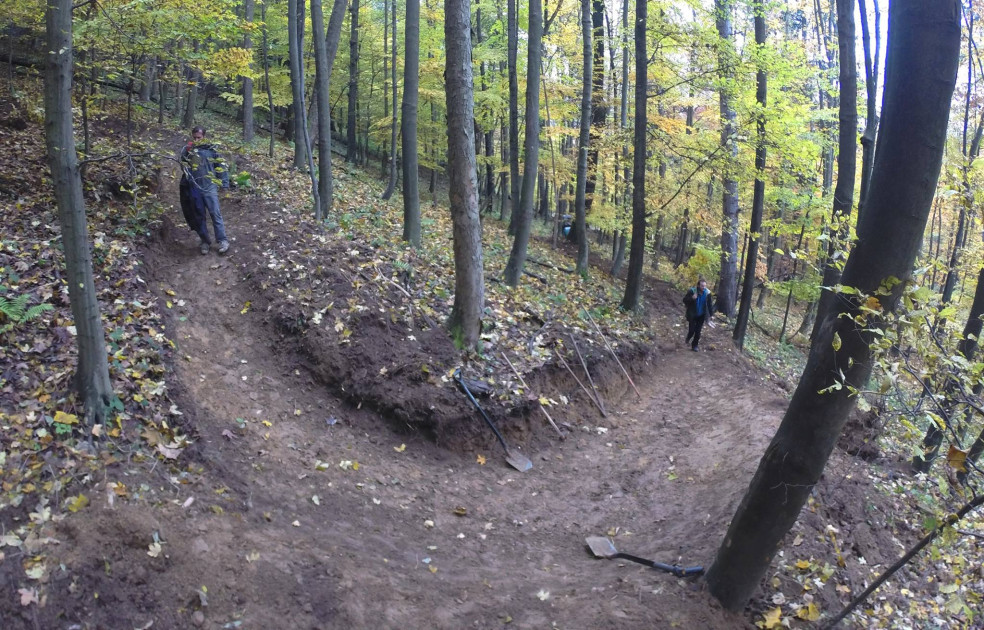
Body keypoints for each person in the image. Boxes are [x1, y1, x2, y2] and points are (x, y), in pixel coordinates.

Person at [180, 126, 231, 255]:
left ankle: (223, 240)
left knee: (215, 214)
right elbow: (183, 166)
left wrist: (224, 184)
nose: (197, 139)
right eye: (195, 137)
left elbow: (221, 166)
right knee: (199, 215)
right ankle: (205, 241)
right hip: (195, 188)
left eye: (199, 137)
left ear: (204, 137)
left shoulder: (212, 150)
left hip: (210, 187)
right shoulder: (187, 150)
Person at [683, 277, 714, 352]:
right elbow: (684, 300)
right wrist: (692, 298)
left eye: (705, 286)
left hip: (702, 315)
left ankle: (695, 346)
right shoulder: (692, 291)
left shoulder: (707, 293)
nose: (704, 287)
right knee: (692, 330)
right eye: (702, 286)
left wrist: (711, 315)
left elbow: (709, 304)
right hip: (692, 314)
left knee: (698, 331)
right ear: (698, 286)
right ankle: (688, 337)